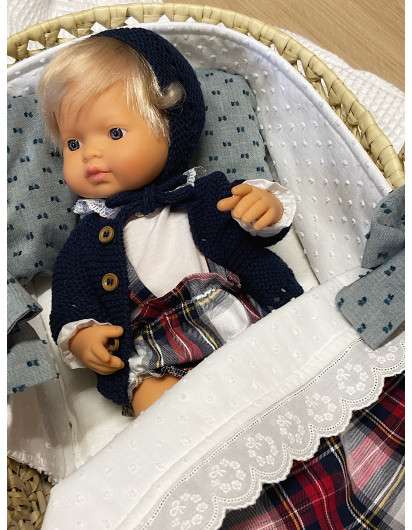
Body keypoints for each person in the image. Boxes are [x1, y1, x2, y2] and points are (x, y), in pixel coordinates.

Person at [38, 27, 303, 416]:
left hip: (233, 311)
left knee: (288, 360)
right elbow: (70, 297)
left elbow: (254, 219)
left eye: (114, 133)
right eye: (73, 144)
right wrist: (82, 337)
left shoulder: (203, 193)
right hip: (155, 340)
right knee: (154, 400)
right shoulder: (86, 242)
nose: (90, 154)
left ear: (171, 124)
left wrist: (266, 206)